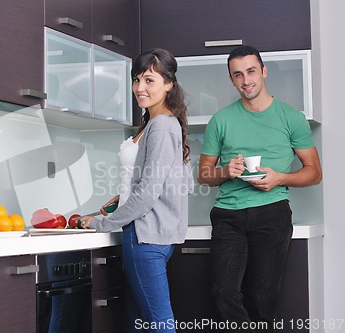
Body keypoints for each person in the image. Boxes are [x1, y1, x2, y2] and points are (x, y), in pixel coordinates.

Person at [197, 45, 322, 332]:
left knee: (264, 298)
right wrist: (226, 172)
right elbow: (204, 175)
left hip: (272, 213)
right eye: (237, 74)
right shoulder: (221, 120)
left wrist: (280, 178)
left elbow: (314, 172)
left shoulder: (291, 117)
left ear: (263, 71)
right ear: (231, 79)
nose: (245, 80)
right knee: (223, 292)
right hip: (228, 215)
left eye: (251, 71)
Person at [79, 48, 193, 332]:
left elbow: (149, 192)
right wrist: (124, 196)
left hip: (145, 237)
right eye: (136, 80)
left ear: (169, 84)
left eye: (150, 80)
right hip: (147, 235)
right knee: (138, 324)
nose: (140, 88)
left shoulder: (163, 127)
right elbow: (174, 181)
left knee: (160, 323)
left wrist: (103, 223)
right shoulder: (153, 123)